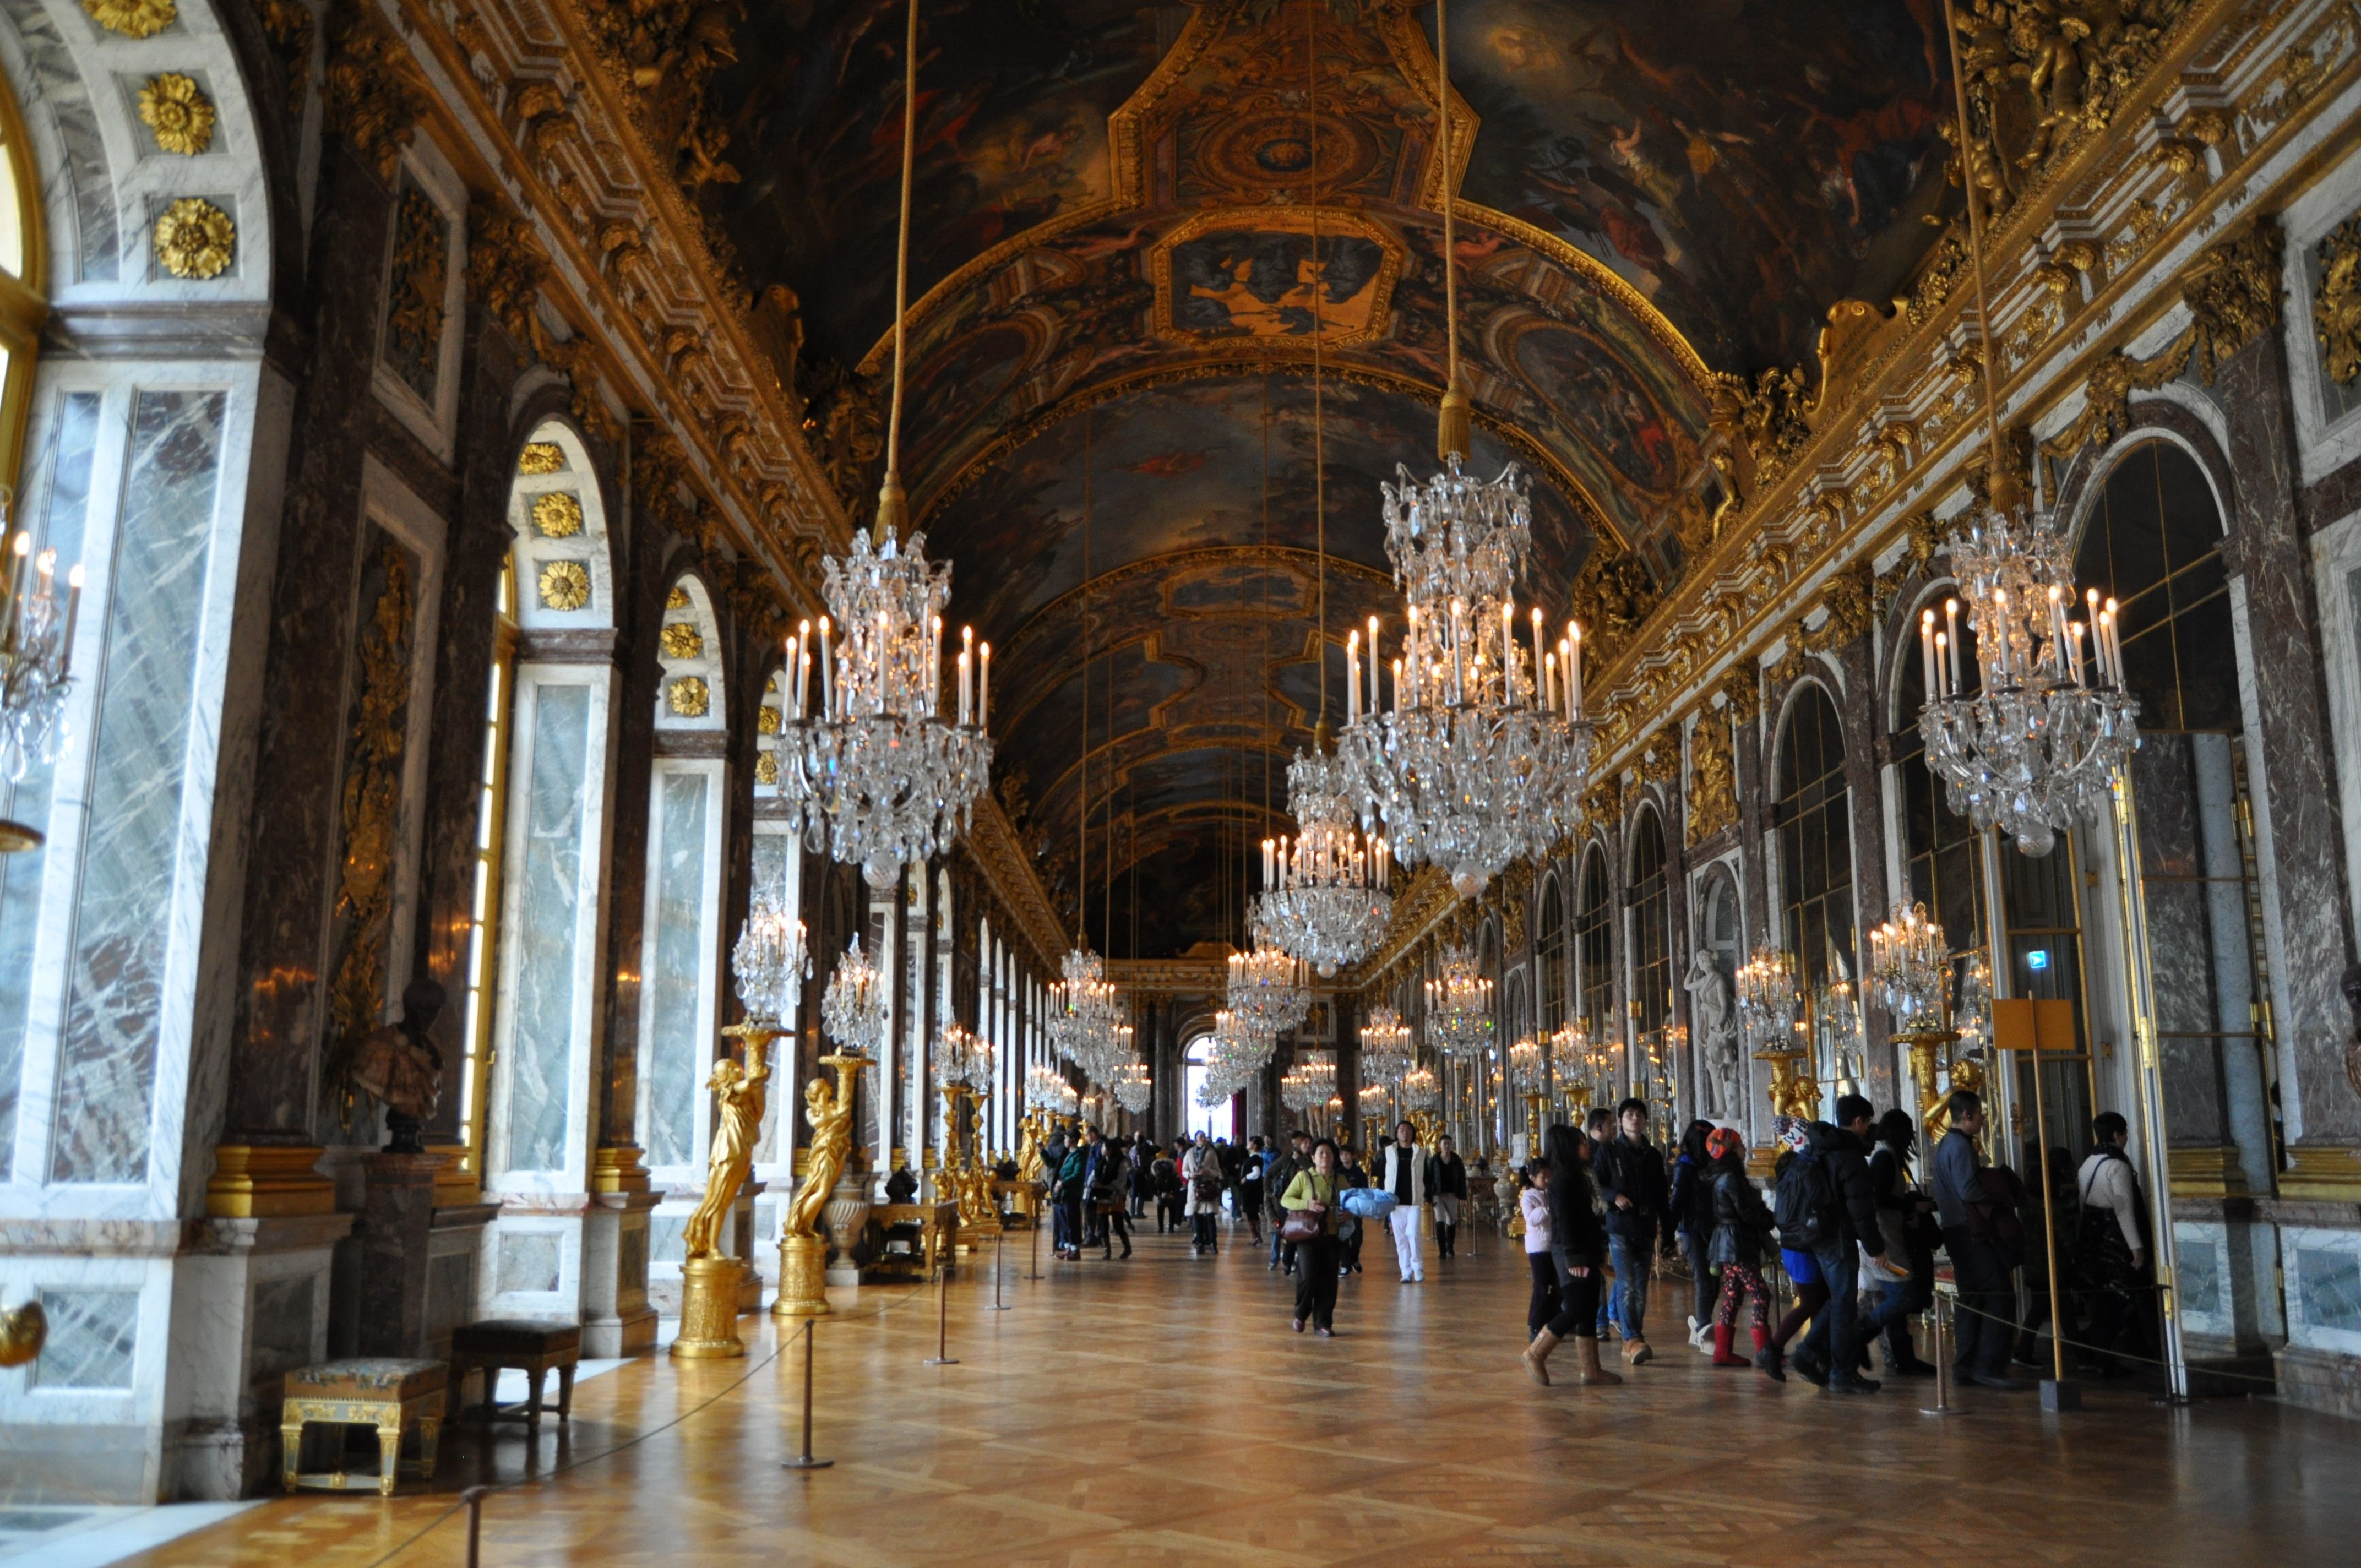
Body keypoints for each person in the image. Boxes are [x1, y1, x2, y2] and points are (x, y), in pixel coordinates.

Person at [1789, 1093, 1890, 1395]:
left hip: (1818, 1237)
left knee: (1840, 1301)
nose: (1868, 1129)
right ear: (1858, 1122)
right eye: (1868, 1122)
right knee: (1845, 1307)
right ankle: (1843, 1373)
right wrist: (1875, 1248)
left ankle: (1807, 1355)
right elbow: (1860, 1208)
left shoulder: (1819, 1146)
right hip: (1839, 1239)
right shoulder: (1849, 1155)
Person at [1930, 1089, 2024, 1391]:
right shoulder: (1958, 1146)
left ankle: (1967, 1367)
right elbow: (1969, 1190)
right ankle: (1988, 1366)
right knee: (1998, 1294)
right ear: (1966, 1116)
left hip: (1958, 1230)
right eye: (1980, 1114)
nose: (1984, 1119)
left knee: (1972, 1298)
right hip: (1969, 1231)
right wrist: (2000, 1196)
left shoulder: (1949, 1144)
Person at [1521, 1125, 1622, 1388]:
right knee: (1577, 1306)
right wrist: (1574, 1258)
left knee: (1588, 1307)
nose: (1587, 1146)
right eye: (1581, 1143)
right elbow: (1564, 1223)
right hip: (1571, 1253)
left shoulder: (1577, 1175)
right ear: (1569, 1148)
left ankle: (1592, 1371)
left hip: (1584, 1250)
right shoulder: (1564, 1179)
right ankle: (1536, 1353)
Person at [1591, 1097, 1675, 1363]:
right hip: (1620, 1227)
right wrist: (1614, 1196)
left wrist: (1669, 1232)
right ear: (1620, 1120)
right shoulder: (1609, 1151)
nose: (1635, 1118)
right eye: (1629, 1114)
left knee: (1640, 1285)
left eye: (1639, 1114)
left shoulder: (1652, 1154)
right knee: (1627, 1285)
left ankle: (1633, 1337)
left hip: (1647, 1226)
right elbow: (1597, 1186)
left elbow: (1662, 1195)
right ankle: (1633, 1337)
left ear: (1645, 1120)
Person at [2073, 1111, 2151, 1375]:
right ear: (2118, 1135)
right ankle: (2130, 1351)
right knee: (2130, 1298)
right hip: (2115, 1242)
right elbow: (2124, 1209)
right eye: (2125, 1132)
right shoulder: (2117, 1166)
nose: (2127, 1137)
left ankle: (2103, 1355)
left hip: (2093, 1241)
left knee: (2105, 1301)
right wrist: (2136, 1246)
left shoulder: (2087, 1164)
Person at [1862, 1109, 1937, 1376]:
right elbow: (1881, 1198)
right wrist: (1912, 1204)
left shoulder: (1887, 1155)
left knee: (1895, 1299)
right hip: (1885, 1241)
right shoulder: (1884, 1157)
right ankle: (1861, 1333)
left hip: (1888, 1237)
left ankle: (1905, 1359)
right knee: (1905, 1294)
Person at [1758, 1120, 1827, 1383]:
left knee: (1821, 1303)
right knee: (1810, 1302)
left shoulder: (1793, 1170)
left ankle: (1817, 1357)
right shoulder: (1802, 1170)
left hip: (1797, 1244)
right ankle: (1773, 1350)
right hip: (1801, 1246)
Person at [1704, 1126, 1775, 1368]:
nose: (1745, 1148)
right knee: (1760, 1292)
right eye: (1740, 1145)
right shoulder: (1731, 1179)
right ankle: (1765, 1353)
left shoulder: (1721, 1177)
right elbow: (1747, 1212)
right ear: (1731, 1150)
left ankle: (1723, 1352)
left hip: (1727, 1242)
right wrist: (1769, 1218)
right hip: (1736, 1242)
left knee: (1733, 1296)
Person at [1280, 1139, 1346, 1336]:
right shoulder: (1304, 1177)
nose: (1325, 1156)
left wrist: (1350, 1214)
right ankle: (1301, 1313)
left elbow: (1351, 1204)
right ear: (1313, 1157)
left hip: (1332, 1235)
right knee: (1307, 1278)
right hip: (1308, 1236)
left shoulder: (1340, 1180)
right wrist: (1307, 1204)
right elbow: (1286, 1199)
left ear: (1334, 1158)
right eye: (1321, 1153)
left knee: (1329, 1282)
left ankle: (1323, 1323)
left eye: (1329, 1153)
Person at [1667, 1119, 1719, 1351]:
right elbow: (1677, 1203)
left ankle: (1700, 1324)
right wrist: (1670, 1234)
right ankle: (1704, 1331)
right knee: (1703, 1280)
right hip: (1692, 1230)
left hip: (1713, 1228)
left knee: (1715, 1280)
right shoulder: (1684, 1166)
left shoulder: (1714, 1164)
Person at [1380, 1120, 1433, 1283]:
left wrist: (1428, 1194)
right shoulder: (1388, 1152)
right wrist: (1382, 1196)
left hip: (1414, 1201)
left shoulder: (1421, 1153)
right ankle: (1405, 1271)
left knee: (1413, 1233)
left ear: (1413, 1133)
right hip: (1395, 1202)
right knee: (1400, 1237)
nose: (1405, 1133)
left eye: (1408, 1130)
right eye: (1402, 1130)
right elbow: (1383, 1175)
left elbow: (1427, 1176)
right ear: (1396, 1133)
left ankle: (1418, 1267)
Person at [1521, 1160, 1560, 1341]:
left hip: (1554, 1246)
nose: (1547, 1180)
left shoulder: (1551, 1193)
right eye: (1542, 1177)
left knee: (1559, 1286)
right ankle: (1535, 1325)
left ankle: (1552, 1321)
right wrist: (1548, 1208)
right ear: (1532, 1177)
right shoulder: (1529, 1196)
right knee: (1541, 1287)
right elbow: (1532, 1219)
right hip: (1538, 1248)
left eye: (1548, 1176)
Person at [1266, 1130, 1312, 1272]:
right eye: (1305, 1142)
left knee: (1303, 1234)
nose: (1307, 1145)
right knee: (1290, 1233)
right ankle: (1287, 1262)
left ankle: (1300, 1263)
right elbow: (1269, 1172)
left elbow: (1312, 1172)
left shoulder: (1312, 1159)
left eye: (1310, 1143)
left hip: (1306, 1203)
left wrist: (1300, 1160)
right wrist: (1268, 1191)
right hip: (1288, 1202)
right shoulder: (1287, 1159)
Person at [1087, 1131, 1133, 1259]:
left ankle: (1127, 1247)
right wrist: (1092, 1184)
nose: (1102, 1149)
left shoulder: (1120, 1164)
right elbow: (1093, 1175)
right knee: (1103, 1224)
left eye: (1104, 1147)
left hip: (1116, 1196)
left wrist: (1104, 1186)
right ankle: (1107, 1251)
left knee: (1118, 1225)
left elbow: (1120, 1182)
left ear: (1110, 1150)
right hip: (1102, 1196)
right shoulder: (1101, 1163)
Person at [1182, 1131, 1223, 1254]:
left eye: (1204, 1137)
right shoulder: (1189, 1153)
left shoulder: (1211, 1153)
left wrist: (1208, 1172)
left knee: (1210, 1217)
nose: (1202, 1139)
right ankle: (1200, 1243)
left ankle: (1213, 1243)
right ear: (1196, 1140)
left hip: (1208, 1188)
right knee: (1197, 1217)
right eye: (1200, 1137)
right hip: (1195, 1189)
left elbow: (1217, 1171)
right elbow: (1184, 1170)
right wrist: (1190, 1175)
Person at [1432, 1135, 1470, 1258]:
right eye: (1445, 1144)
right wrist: (1428, 1196)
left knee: (1451, 1220)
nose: (1447, 1146)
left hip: (1452, 1194)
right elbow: (1428, 1179)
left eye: (1449, 1144)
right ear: (1440, 1145)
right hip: (1438, 1194)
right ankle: (1442, 1250)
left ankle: (1450, 1247)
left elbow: (1462, 1179)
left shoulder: (1457, 1161)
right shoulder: (1434, 1161)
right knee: (1440, 1220)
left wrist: (1463, 1197)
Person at [1336, 1144, 1370, 1274]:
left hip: (1356, 1208)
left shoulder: (1359, 1173)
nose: (1344, 1157)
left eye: (1347, 1154)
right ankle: (1346, 1265)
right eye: (1342, 1154)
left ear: (1352, 1156)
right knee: (1344, 1236)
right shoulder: (1338, 1172)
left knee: (1357, 1237)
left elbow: (1365, 1190)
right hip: (1342, 1207)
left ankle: (1354, 1258)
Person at [1237, 1135, 1267, 1245]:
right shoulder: (1256, 1158)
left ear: (1254, 1146)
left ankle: (1256, 1236)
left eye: (1250, 1142)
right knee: (1253, 1213)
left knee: (1251, 1212)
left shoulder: (1254, 1159)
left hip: (1251, 1190)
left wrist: (1246, 1178)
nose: (1248, 1143)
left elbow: (1257, 1173)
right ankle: (1257, 1236)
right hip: (1254, 1189)